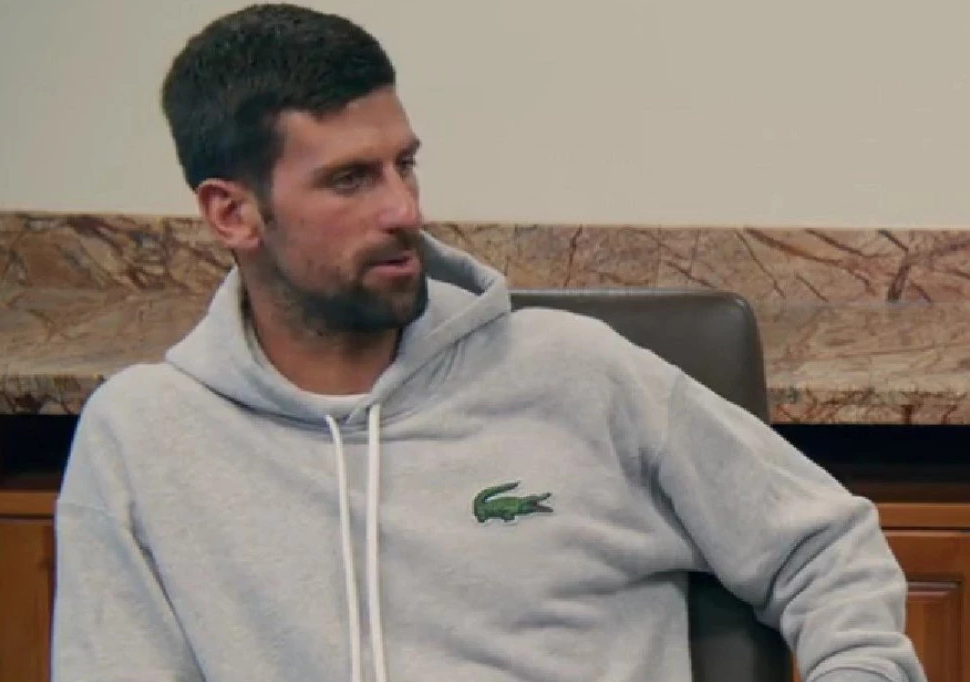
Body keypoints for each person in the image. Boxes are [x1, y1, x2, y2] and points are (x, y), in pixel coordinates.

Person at [50, 4, 925, 682]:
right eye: (349, 179)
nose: (403, 209)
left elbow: (824, 548)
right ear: (232, 213)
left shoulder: (576, 374)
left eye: (404, 164)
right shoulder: (144, 437)